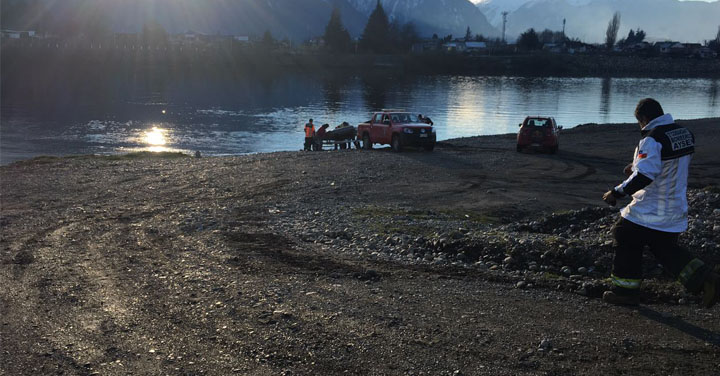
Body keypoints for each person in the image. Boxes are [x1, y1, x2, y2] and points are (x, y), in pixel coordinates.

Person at [601, 98, 719, 307]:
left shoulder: (651, 139)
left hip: (652, 208)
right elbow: (667, 163)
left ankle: (625, 292)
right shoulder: (684, 133)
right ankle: (706, 279)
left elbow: (645, 176)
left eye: (640, 123)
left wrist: (616, 192)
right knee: (664, 248)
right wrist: (636, 165)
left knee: (624, 234)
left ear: (644, 119)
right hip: (675, 207)